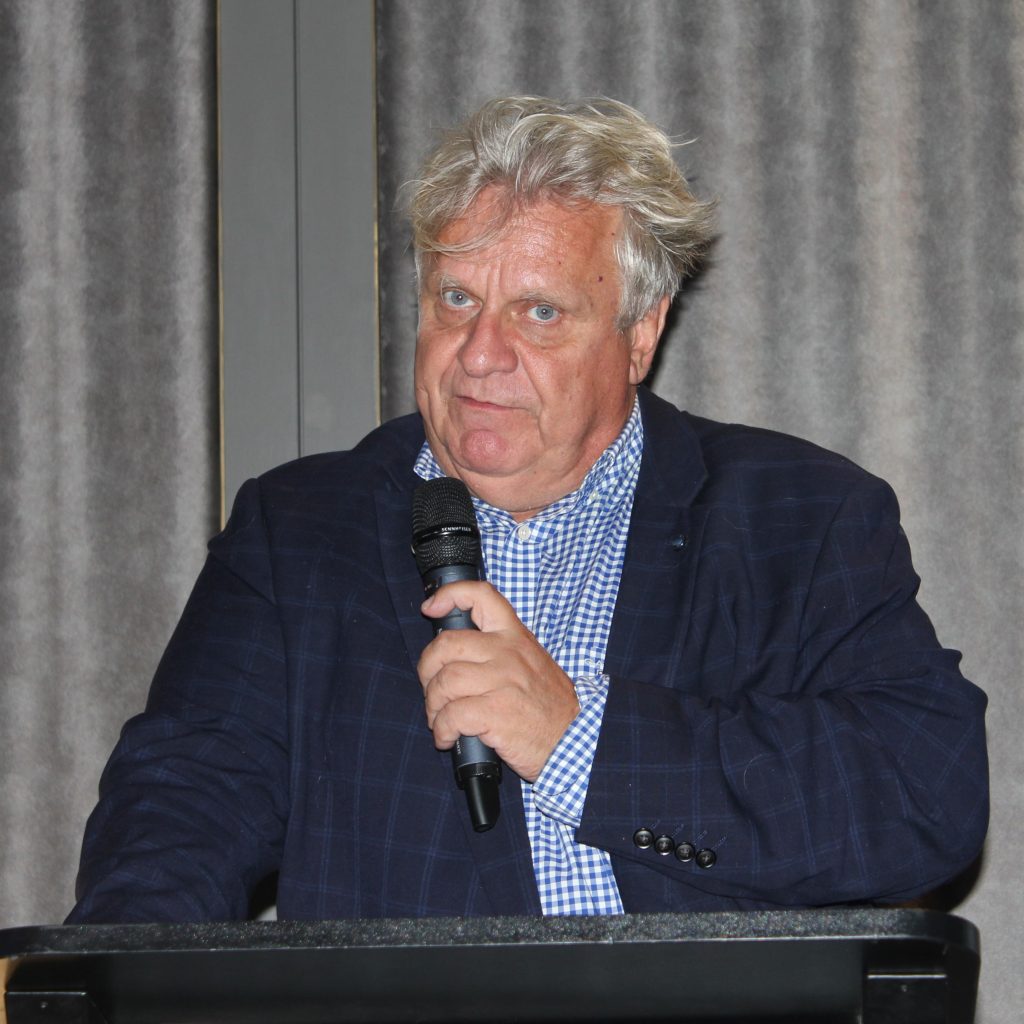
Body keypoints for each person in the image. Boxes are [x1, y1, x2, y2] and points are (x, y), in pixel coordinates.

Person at [69, 97, 988, 922]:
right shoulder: (300, 531)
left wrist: (575, 738)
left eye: (539, 312)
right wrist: (108, 982)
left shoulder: (798, 518)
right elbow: (179, 811)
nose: (478, 353)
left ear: (640, 334)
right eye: (456, 299)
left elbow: (923, 794)